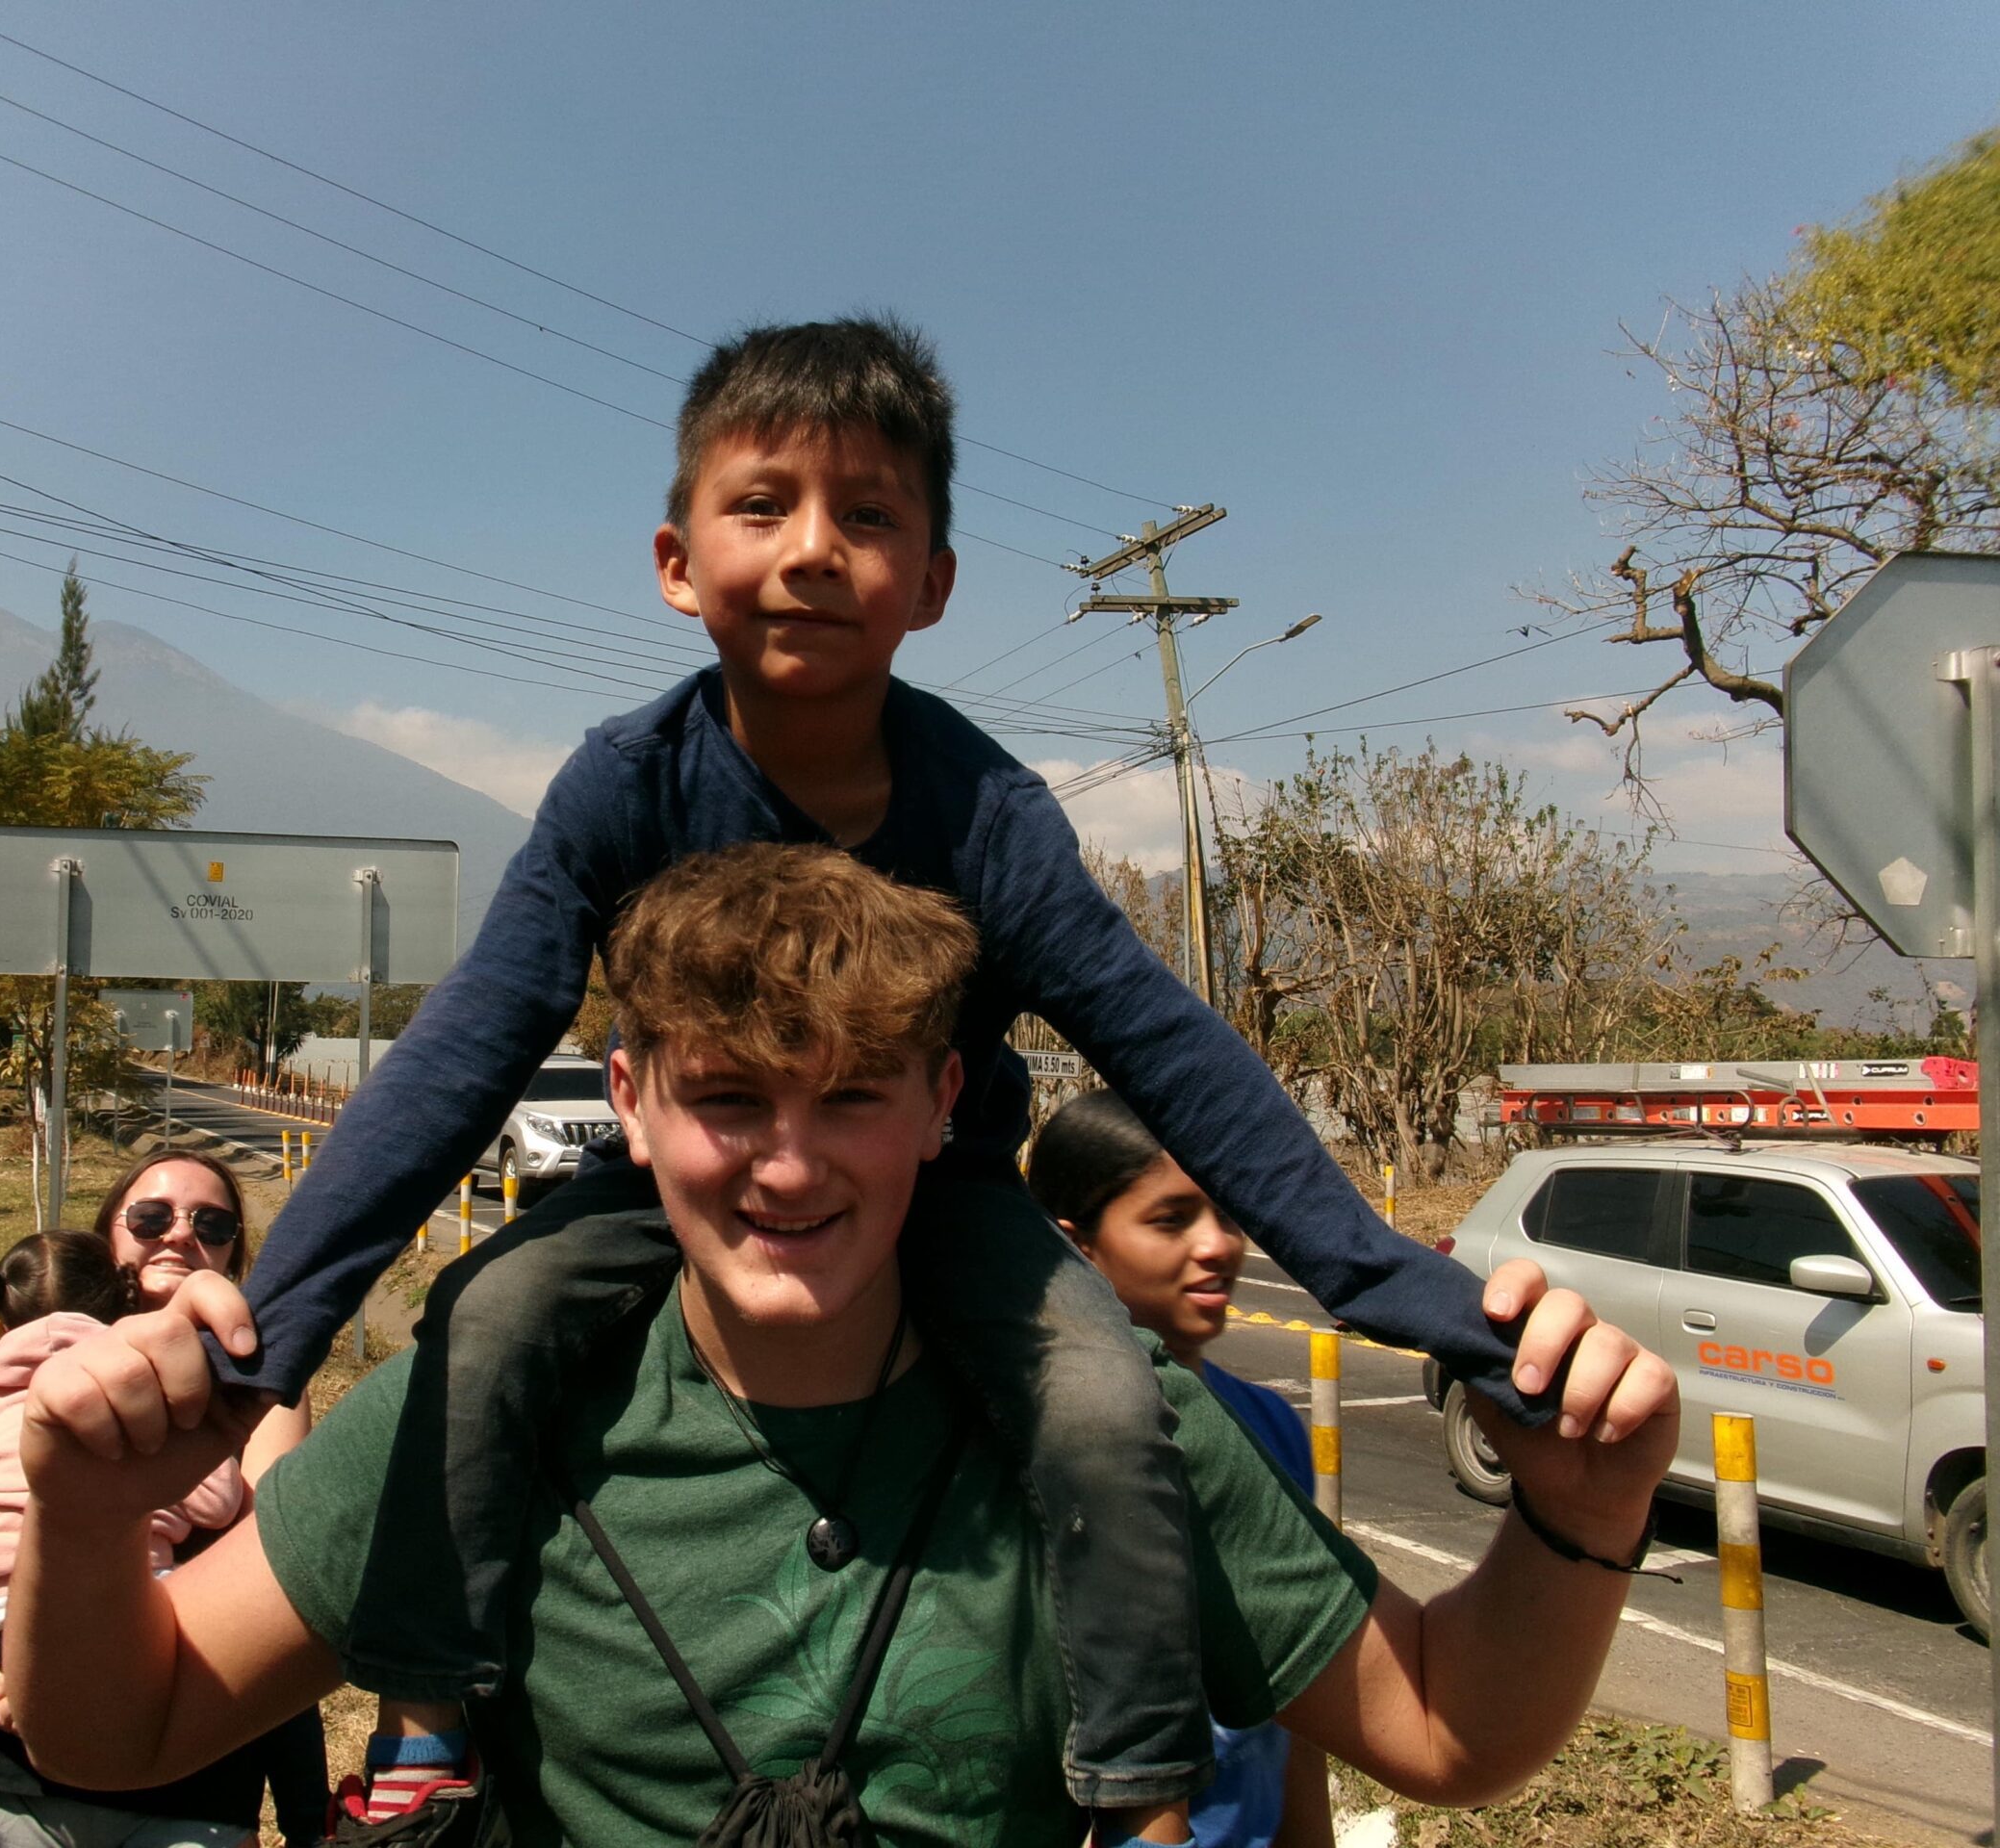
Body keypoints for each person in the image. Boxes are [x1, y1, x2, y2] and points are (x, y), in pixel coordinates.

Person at [223, 316, 1533, 1835]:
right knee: (490, 1308)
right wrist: (269, 1339)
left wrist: (1400, 1294)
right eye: (762, 504)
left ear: (932, 583)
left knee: (1106, 1398)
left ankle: (1139, 1793)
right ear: (675, 557)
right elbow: (461, 1054)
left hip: (940, 1189)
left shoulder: (989, 814)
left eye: (869, 515)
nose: (812, 550)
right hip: (683, 1189)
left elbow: (1170, 1048)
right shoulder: (622, 784)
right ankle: (433, 1721)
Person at [1, 844, 1678, 1848]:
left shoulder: (1100, 1419)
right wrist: (83, 1516)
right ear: (636, 1108)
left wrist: (1581, 1513)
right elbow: (117, 1732)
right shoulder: (488, 1404)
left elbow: (1452, 1731)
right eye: (728, 1099)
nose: (788, 1164)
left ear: (943, 1107)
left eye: (852, 1097)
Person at [0, 1153, 322, 1848]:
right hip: (1, 1775)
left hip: (191, 1787)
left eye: (212, 1223)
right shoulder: (36, 1388)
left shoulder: (260, 1387)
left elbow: (281, 1578)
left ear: (235, 1250)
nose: (180, 1235)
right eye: (152, 1217)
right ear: (104, 1240)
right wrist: (8, 1696)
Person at [1029, 1091, 1328, 1848]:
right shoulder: (1028, 1450)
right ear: (1076, 1249)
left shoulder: (1272, 1429)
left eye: (1226, 1214)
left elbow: (1306, 1691)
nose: (1219, 1245)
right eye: (1171, 1219)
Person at [0, 1231, 243, 1633]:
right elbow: (219, 1504)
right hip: (140, 1593)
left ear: (1, 1327)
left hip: (17, 1609)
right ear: (120, 1311)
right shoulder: (149, 1404)